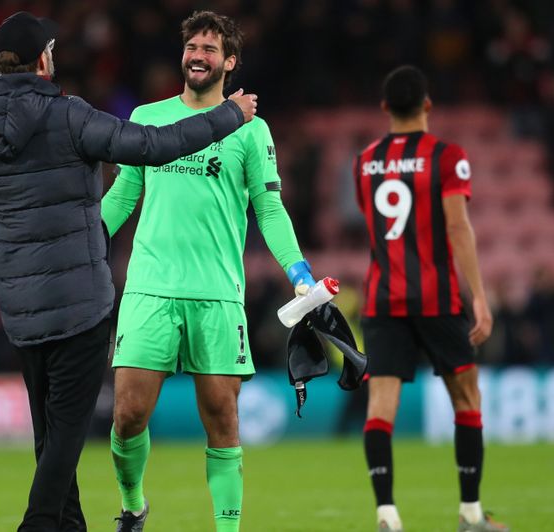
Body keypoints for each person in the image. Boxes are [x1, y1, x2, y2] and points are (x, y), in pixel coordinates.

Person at [0, 11, 258, 532]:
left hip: (19, 308)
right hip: (81, 305)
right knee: (64, 438)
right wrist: (229, 116)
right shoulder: (70, 116)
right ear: (43, 58)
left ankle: (68, 526)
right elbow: (155, 147)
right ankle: (39, 524)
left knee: (48, 431)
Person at [101, 11, 316, 532]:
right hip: (150, 287)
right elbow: (124, 194)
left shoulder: (250, 129)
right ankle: (133, 506)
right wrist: (79, 247)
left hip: (217, 293)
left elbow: (268, 208)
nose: (198, 55)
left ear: (230, 62)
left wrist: (299, 271)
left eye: (210, 49)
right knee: (128, 414)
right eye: (192, 46)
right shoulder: (150, 118)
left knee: (222, 417)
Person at [353, 65, 506, 532]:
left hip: (382, 298)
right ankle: (471, 513)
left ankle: (387, 515)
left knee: (381, 405)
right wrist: (478, 297)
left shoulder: (364, 161)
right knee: (466, 397)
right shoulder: (447, 156)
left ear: (384, 108)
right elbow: (457, 227)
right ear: (427, 105)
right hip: (437, 298)